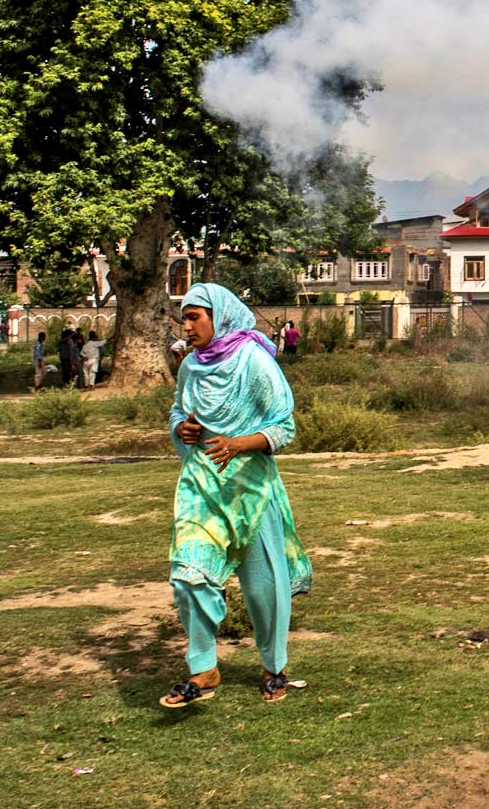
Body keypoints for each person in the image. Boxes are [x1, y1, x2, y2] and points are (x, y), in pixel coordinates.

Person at [159, 283, 312, 709]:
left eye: (194, 317)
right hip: (202, 483)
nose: (186, 326)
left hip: (252, 488)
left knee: (264, 588)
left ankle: (273, 667)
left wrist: (239, 443)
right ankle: (203, 668)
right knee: (189, 574)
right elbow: (178, 411)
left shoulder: (254, 360)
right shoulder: (190, 367)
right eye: (184, 318)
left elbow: (284, 426)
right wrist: (181, 430)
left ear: (219, 316)